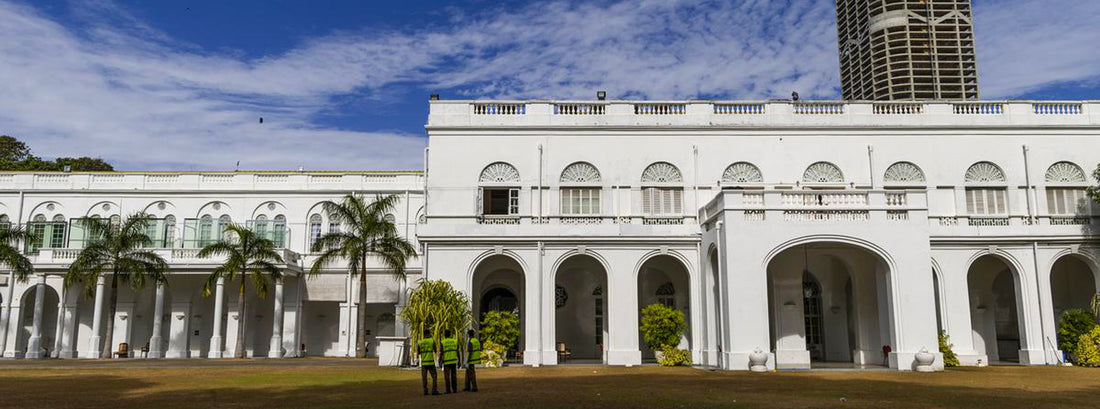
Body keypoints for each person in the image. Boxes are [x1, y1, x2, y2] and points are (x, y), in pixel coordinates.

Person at [418, 329, 440, 396]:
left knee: (424, 377)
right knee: (434, 376)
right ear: (429, 334)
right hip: (431, 362)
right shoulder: (432, 341)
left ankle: (425, 390)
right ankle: (434, 390)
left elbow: (418, 352)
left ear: (424, 335)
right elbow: (435, 350)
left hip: (424, 363)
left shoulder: (420, 342)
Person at [440, 329, 459, 394]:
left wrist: (440, 361)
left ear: (444, 335)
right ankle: (455, 389)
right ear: (450, 335)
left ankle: (448, 390)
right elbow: (457, 351)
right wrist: (459, 361)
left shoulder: (443, 342)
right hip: (453, 361)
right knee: (454, 376)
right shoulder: (455, 341)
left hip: (446, 361)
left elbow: (441, 352)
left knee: (447, 377)